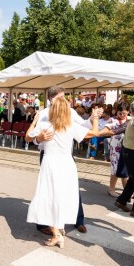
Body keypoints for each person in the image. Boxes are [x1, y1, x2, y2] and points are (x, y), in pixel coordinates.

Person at [26, 98, 100, 248]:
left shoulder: (44, 125)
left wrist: (34, 123)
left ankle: (57, 233)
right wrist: (96, 118)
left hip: (51, 164)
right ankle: (57, 230)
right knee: (61, 197)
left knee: (48, 197)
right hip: (67, 165)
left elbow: (27, 137)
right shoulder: (70, 126)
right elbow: (95, 133)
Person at [105, 102, 130, 197]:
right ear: (116, 112)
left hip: (127, 146)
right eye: (120, 113)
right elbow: (107, 128)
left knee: (125, 168)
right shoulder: (113, 120)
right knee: (115, 168)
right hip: (115, 148)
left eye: (124, 113)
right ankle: (111, 189)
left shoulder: (131, 120)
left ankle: (126, 190)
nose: (122, 115)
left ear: (128, 112)